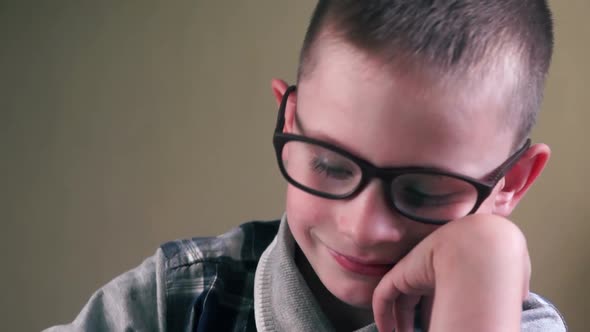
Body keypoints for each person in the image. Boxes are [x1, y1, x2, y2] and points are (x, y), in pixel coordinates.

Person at [45, 0, 568, 331]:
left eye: (425, 192)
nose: (362, 227)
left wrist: (489, 263)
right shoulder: (175, 299)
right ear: (290, 122)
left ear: (510, 183)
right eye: (330, 164)